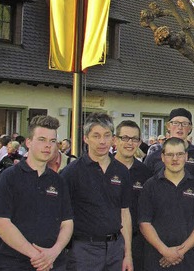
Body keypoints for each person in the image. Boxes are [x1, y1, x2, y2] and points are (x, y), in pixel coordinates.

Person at [0, 115, 73, 271]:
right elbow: (1, 223)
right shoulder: (9, 177)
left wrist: (53, 253)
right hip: (14, 264)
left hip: (53, 264)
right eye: (42, 139)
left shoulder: (59, 181)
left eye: (52, 141)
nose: (48, 146)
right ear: (28, 142)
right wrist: (36, 256)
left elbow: (67, 223)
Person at [61, 112, 133, 271]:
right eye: (96, 136)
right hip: (84, 250)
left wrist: (127, 254)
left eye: (107, 135)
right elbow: (61, 215)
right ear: (86, 138)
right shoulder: (71, 173)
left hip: (115, 249)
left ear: (113, 139)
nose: (102, 141)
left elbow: (124, 213)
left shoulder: (121, 171)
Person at [138, 138, 194, 271]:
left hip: (188, 259)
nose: (175, 159)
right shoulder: (150, 186)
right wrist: (165, 251)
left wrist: (180, 252)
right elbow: (144, 223)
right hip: (157, 259)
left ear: (186, 156)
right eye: (170, 154)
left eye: (180, 154)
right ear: (162, 157)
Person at [114, 120, 153, 271]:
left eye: (134, 139)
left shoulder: (145, 173)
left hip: (139, 242)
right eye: (124, 138)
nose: (130, 143)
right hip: (111, 242)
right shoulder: (104, 169)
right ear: (115, 140)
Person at [144, 109, 194, 177]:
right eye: (175, 123)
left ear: (190, 128)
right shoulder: (154, 157)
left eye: (184, 124)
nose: (180, 127)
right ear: (168, 126)